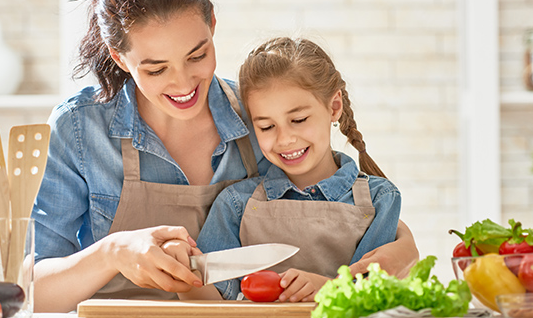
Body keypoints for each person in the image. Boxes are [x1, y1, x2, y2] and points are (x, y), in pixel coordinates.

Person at [31, 0, 418, 312]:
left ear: (213, 24)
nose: (183, 82)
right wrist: (112, 252)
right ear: (120, 58)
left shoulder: (262, 118)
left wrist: (402, 247)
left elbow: (331, 206)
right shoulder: (80, 129)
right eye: (156, 69)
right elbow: (32, 294)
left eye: (197, 55)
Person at [164, 37, 411, 302]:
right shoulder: (236, 204)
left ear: (334, 107)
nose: (284, 139)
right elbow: (212, 305)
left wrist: (328, 289)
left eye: (298, 120)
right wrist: (182, 274)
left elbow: (374, 298)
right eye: (267, 127)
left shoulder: (380, 199)